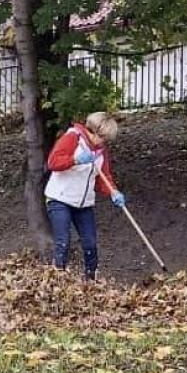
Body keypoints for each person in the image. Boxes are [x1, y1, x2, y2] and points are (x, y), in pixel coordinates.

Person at [44, 111, 126, 280]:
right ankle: (57, 279)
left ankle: (91, 279)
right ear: (95, 132)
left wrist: (113, 192)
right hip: (60, 199)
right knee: (63, 242)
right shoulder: (72, 138)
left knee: (90, 243)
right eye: (103, 138)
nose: (104, 143)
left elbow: (103, 177)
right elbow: (53, 162)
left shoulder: (100, 152)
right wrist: (75, 159)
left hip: (83, 203)